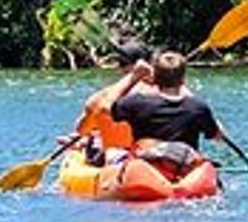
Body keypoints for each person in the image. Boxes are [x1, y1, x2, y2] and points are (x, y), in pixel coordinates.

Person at [86, 48, 227, 176]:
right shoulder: (198, 107)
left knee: (110, 152)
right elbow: (219, 136)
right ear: (183, 79)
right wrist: (187, 91)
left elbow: (104, 107)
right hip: (182, 168)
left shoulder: (137, 103)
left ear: (155, 79)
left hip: (147, 168)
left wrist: (133, 77)